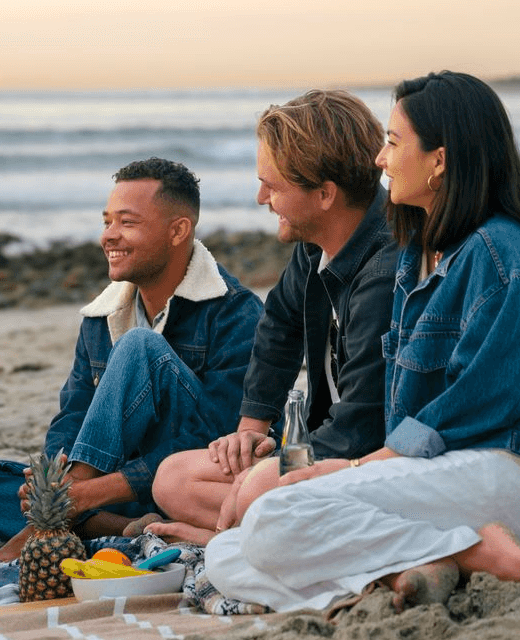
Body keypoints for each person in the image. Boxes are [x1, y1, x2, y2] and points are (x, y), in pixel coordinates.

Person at [172, 72, 520, 613]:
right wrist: (334, 463)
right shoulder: (421, 254)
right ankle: (420, 567)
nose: (379, 159)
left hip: (503, 474)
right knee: (228, 554)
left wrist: (350, 468)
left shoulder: (495, 253)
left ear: (439, 160)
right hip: (433, 475)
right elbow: (280, 327)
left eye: (393, 143)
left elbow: (486, 400)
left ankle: (470, 550)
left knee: (272, 517)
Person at [0, 157, 264, 561]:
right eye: (106, 222)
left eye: (126, 223)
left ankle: (50, 527)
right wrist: (54, 481)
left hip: (179, 487)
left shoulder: (235, 313)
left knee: (138, 346)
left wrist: (87, 493)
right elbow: (73, 413)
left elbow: (219, 438)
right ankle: (114, 528)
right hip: (112, 496)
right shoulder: (101, 316)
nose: (108, 237)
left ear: (178, 230)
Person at [152, 90, 395, 534]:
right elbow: (280, 326)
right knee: (172, 479)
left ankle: (234, 532)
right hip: (328, 449)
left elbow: (361, 429)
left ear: (325, 194)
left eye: (274, 185)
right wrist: (251, 429)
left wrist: (268, 473)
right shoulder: (318, 242)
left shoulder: (385, 271)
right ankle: (252, 523)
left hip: (370, 465)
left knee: (254, 488)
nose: (261, 197)